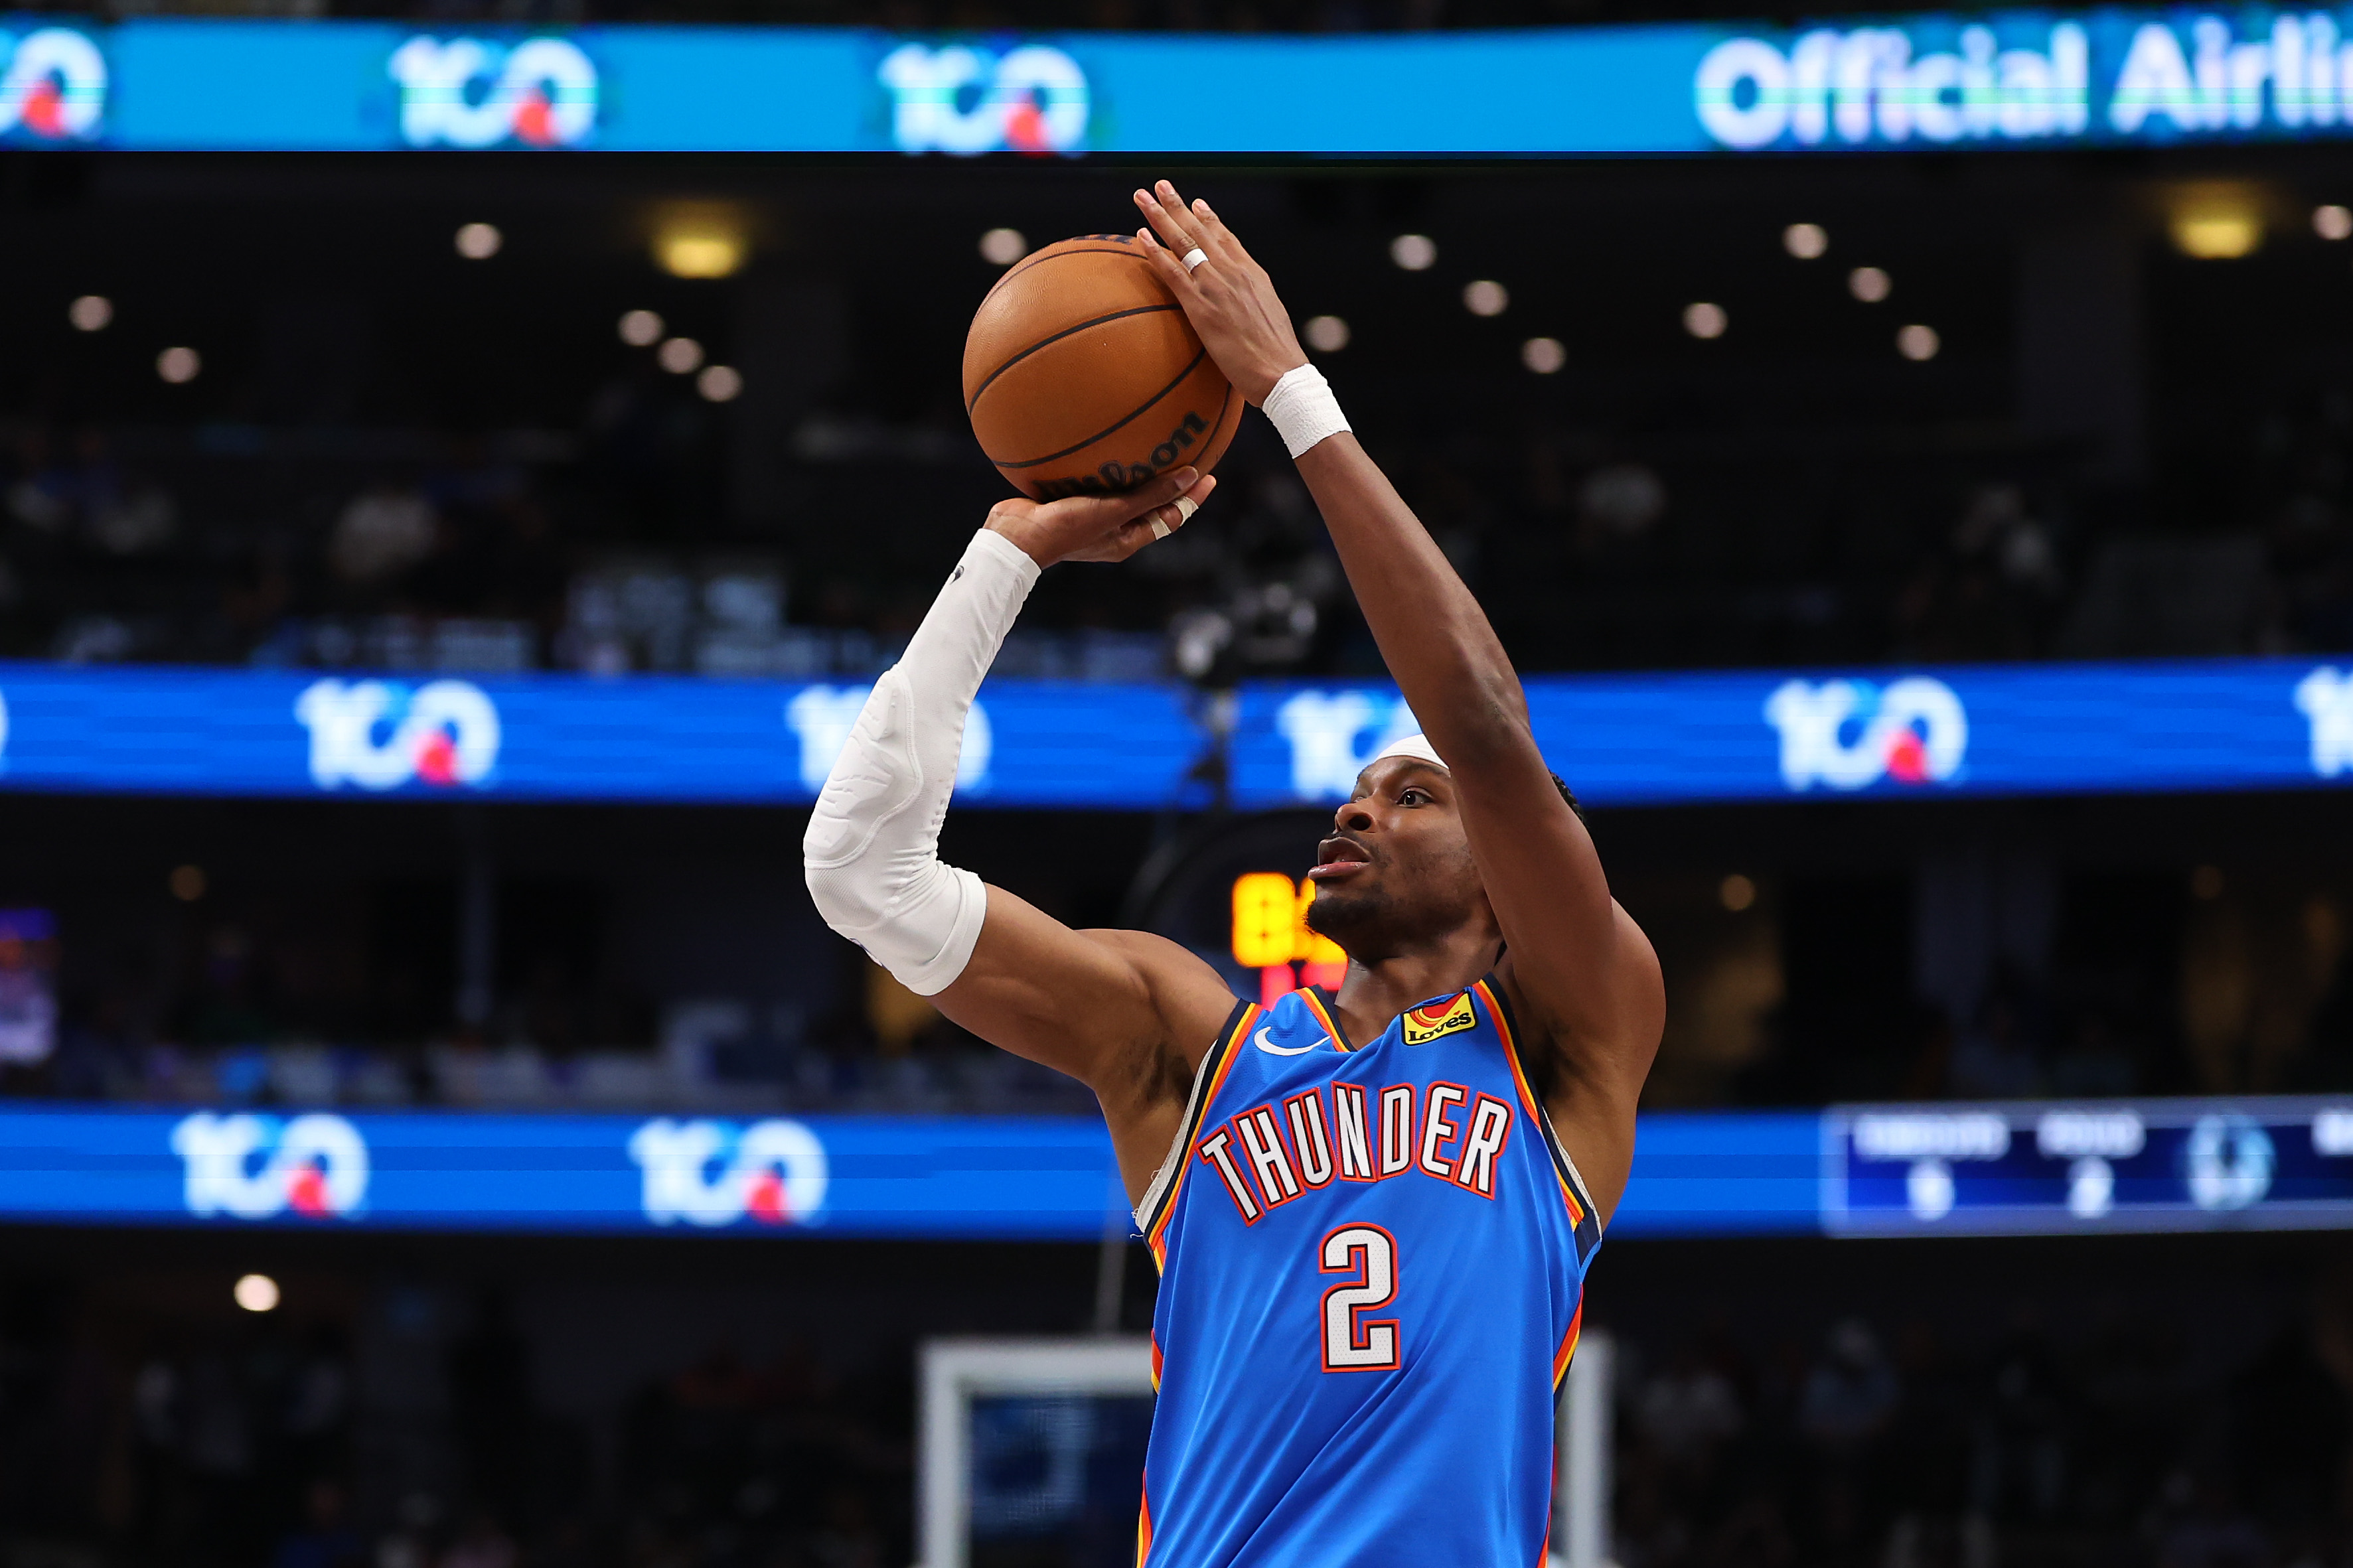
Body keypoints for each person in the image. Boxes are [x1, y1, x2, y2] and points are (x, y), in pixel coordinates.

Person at [804, 178, 1663, 1567]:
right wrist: (1005, 557)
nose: (1359, 806)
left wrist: (1289, 394)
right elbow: (861, 873)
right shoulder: (1190, 1047)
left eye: (1412, 797)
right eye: (1357, 789)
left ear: (1512, 880)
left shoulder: (1567, 1047)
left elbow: (1484, 726)